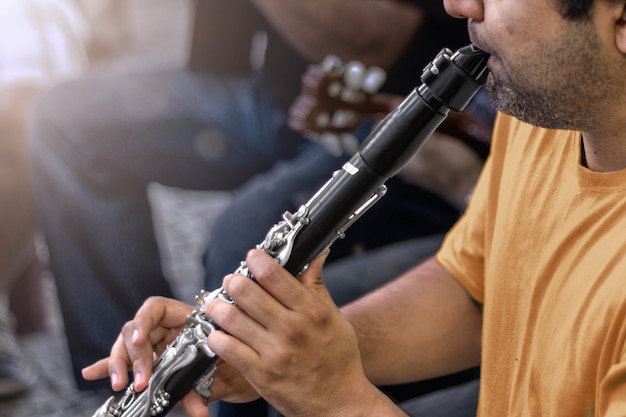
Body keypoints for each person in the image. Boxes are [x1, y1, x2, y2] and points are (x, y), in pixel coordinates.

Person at [84, 0, 626, 416]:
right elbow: (475, 286)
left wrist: (338, 398)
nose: (458, 5)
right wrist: (273, 353)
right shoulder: (549, 110)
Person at [28, 0, 474, 396]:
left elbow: (372, 39)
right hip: (279, 95)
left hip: (387, 111)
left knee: (244, 242)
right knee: (67, 120)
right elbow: (217, 61)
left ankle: (215, 385)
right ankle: (140, 377)